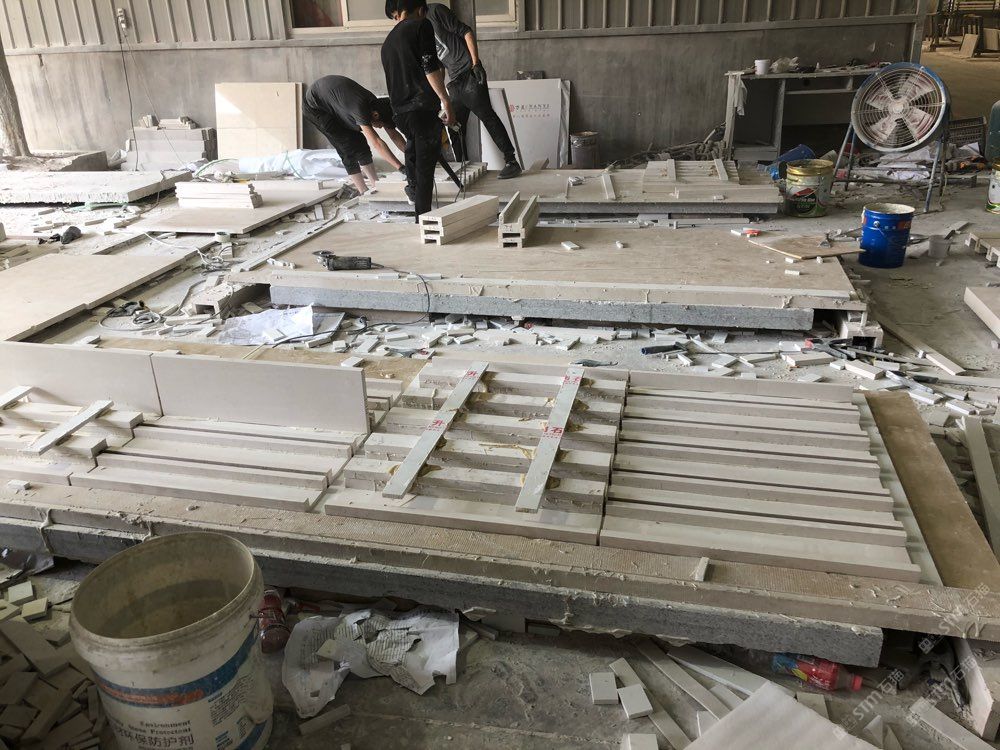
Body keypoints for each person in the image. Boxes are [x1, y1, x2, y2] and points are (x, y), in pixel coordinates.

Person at [423, 3, 521, 179]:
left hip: (469, 73)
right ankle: (463, 167)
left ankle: (511, 161)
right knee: (454, 125)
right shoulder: (421, 29)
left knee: (487, 117)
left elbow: (466, 31)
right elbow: (439, 65)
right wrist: (441, 93)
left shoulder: (435, 11)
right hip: (454, 82)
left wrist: (476, 64)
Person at [381, 0, 455, 219]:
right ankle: (422, 221)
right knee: (425, 170)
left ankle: (415, 200)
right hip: (421, 109)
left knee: (413, 155)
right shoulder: (421, 25)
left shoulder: (388, 41)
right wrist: (445, 100)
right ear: (422, 11)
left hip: (400, 113)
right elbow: (429, 66)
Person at [303, 75, 407, 194]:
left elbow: (394, 136)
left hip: (334, 99)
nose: (380, 127)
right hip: (316, 108)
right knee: (346, 146)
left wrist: (412, 157)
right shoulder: (360, 109)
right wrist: (401, 167)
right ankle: (363, 190)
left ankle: (375, 184)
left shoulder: (379, 106)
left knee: (361, 142)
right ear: (375, 115)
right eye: (381, 125)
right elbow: (377, 143)